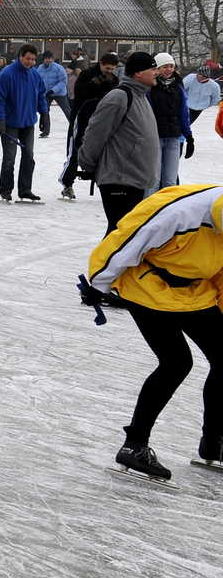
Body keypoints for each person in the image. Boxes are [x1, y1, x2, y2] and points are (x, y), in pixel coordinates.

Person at [81, 184, 223, 481]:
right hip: (146, 285)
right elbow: (128, 239)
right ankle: (134, 445)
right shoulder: (181, 212)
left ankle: (214, 443)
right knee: (176, 363)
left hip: (195, 289)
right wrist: (98, 283)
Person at [78, 51, 160, 233]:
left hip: (135, 178)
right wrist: (87, 162)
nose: (157, 72)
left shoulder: (141, 97)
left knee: (125, 233)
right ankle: (104, 262)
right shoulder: (120, 96)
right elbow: (96, 132)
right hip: (119, 178)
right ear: (138, 73)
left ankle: (110, 262)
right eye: (153, 69)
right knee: (121, 232)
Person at [61, 52, 124, 200]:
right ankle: (67, 183)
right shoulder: (86, 74)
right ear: (101, 63)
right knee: (75, 150)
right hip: (81, 117)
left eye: (112, 69)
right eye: (107, 68)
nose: (109, 72)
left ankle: (106, 184)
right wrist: (98, 81)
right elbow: (79, 92)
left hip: (101, 120)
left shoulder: (114, 79)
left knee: (103, 152)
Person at [0, 45, 48, 202]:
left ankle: (25, 189)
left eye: (34, 59)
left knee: (29, 156)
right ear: (20, 56)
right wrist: (0, 119)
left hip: (28, 123)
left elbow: (41, 95)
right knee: (10, 157)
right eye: (28, 58)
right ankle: (6, 189)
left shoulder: (35, 75)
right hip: (10, 123)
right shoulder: (7, 74)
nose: (31, 62)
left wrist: (44, 114)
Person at [150, 53, 194, 189]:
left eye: (171, 66)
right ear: (157, 68)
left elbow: (183, 114)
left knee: (170, 181)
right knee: (153, 180)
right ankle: (149, 209)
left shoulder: (178, 87)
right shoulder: (150, 87)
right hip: (154, 137)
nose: (169, 69)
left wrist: (189, 136)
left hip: (174, 137)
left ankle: (169, 208)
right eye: (164, 66)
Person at [35, 50, 70, 137]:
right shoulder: (40, 68)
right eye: (46, 58)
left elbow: (63, 81)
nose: (48, 60)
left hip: (60, 93)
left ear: (53, 59)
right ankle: (46, 131)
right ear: (43, 59)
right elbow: (37, 80)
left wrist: (53, 90)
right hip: (47, 94)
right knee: (45, 111)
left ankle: (75, 126)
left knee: (67, 111)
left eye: (50, 58)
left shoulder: (58, 68)